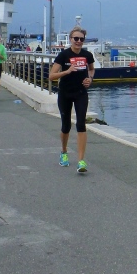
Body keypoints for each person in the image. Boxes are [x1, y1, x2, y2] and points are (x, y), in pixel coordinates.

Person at [49, 25, 95, 173]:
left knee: (81, 124)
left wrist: (89, 79)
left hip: (81, 93)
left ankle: (81, 161)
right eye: (76, 38)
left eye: (81, 39)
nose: (78, 41)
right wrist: (67, 71)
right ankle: (63, 152)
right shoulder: (63, 55)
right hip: (65, 94)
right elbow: (51, 76)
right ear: (70, 39)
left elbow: (91, 69)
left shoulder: (87, 55)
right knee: (66, 125)